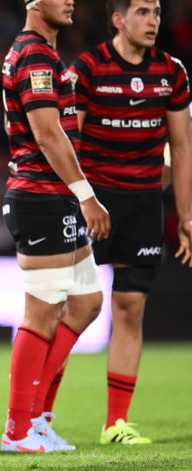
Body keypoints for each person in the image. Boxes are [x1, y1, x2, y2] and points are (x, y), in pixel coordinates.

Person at [65, 0, 191, 444]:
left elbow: (182, 146)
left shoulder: (171, 71)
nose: (153, 19)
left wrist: (186, 215)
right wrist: (81, 199)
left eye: (155, 11)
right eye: (141, 11)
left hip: (143, 205)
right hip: (94, 202)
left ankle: (115, 423)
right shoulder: (89, 68)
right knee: (72, 308)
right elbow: (71, 142)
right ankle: (34, 418)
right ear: (118, 20)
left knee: (130, 308)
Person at [0, 0, 111, 453]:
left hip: (52, 195)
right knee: (42, 312)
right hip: (40, 196)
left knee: (86, 301)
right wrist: (86, 195)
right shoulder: (34, 55)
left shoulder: (40, 52)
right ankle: (17, 429)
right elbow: (47, 133)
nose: (70, 1)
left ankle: (38, 415)